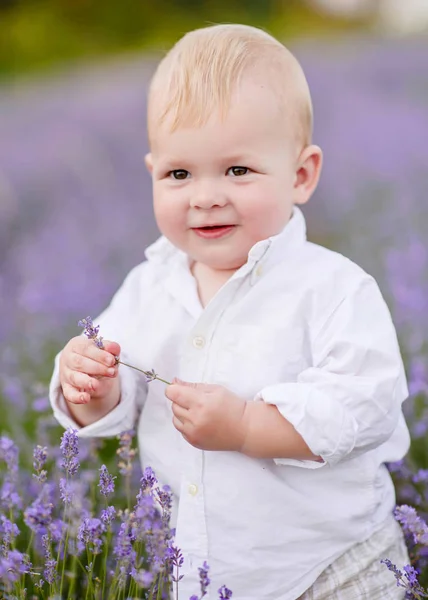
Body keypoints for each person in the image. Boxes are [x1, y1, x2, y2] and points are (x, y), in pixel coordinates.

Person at [49, 23, 411, 600]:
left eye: (237, 170)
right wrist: (88, 389)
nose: (206, 195)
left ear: (301, 175)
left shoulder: (334, 288)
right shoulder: (149, 286)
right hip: (206, 573)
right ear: (152, 175)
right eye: (179, 174)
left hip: (334, 568)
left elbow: (363, 406)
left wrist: (248, 427)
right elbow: (112, 400)